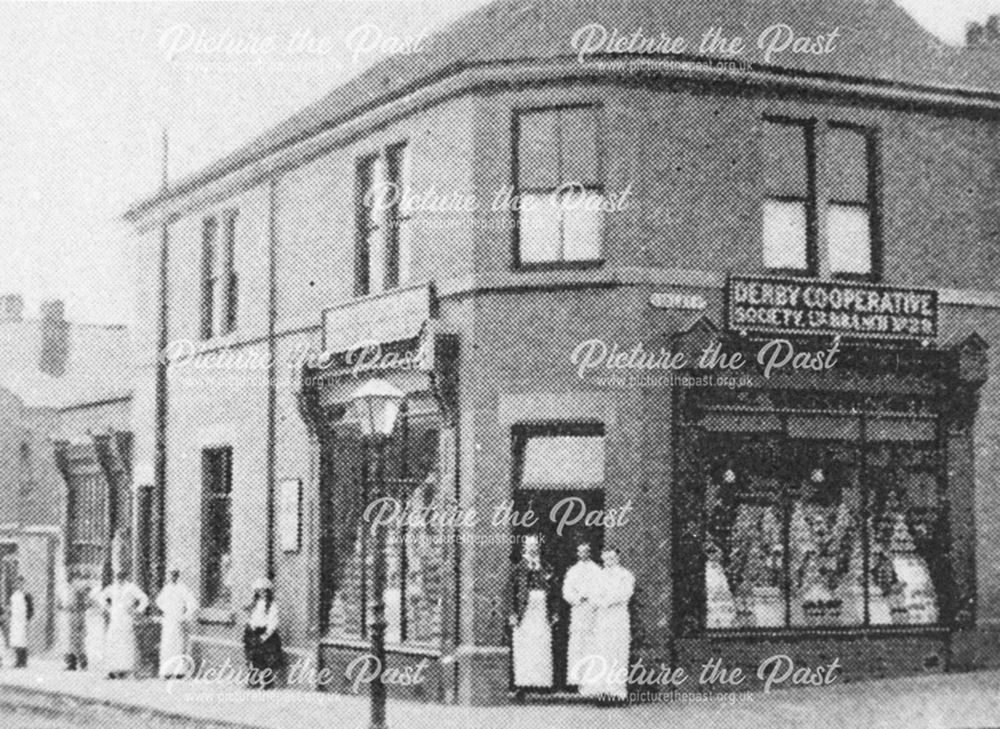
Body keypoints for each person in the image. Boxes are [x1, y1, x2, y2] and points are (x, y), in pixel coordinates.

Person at [579, 548, 634, 702]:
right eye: (606, 558)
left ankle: (616, 692)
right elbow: (593, 595)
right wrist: (601, 601)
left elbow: (625, 593)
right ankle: (601, 691)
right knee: (602, 651)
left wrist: (608, 599)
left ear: (618, 558)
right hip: (602, 618)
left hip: (618, 617)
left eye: (612, 558)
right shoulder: (598, 576)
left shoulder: (625, 575)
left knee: (617, 651)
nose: (609, 561)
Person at [508, 535, 554, 691]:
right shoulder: (518, 569)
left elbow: (553, 591)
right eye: (529, 545)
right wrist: (512, 613)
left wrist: (553, 612)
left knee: (541, 644)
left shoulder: (546, 567)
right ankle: (523, 683)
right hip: (524, 613)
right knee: (525, 646)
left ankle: (541, 683)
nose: (532, 548)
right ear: (524, 548)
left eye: (535, 545)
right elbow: (510, 592)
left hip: (542, 611)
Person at [562, 541, 602, 689]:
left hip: (592, 611)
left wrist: (591, 598)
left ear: (590, 552)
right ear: (577, 553)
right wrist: (578, 598)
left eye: (586, 551)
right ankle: (576, 680)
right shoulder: (572, 571)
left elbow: (601, 589)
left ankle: (591, 680)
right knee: (577, 643)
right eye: (580, 551)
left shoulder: (597, 570)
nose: (583, 554)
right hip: (578, 611)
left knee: (591, 642)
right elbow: (566, 591)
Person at [98, 570, 149, 679]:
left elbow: (144, 598)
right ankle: (113, 670)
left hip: (126, 617)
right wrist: (108, 608)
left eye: (122, 575)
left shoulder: (131, 587)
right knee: (113, 641)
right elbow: (101, 597)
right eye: (117, 576)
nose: (119, 578)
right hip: (115, 617)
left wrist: (137, 610)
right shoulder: (112, 587)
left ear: (125, 576)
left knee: (126, 642)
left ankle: (127, 670)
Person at [156, 565, 198, 679]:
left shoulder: (182, 588)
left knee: (178, 644)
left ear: (178, 576)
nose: (173, 577)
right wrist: (166, 609)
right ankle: (166, 671)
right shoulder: (167, 588)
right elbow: (159, 601)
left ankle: (179, 671)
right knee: (166, 644)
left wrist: (185, 616)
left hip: (177, 620)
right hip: (168, 619)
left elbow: (193, 603)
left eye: (175, 574)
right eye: (171, 574)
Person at [243, 578, 283, 689]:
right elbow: (252, 618)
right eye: (259, 591)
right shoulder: (255, 605)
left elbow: (273, 622)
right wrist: (251, 627)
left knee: (267, 659)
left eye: (264, 591)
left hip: (266, 634)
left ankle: (268, 683)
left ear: (268, 592)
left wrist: (266, 635)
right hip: (254, 632)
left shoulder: (272, 606)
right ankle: (253, 682)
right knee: (253, 658)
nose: (262, 593)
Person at [58, 571, 88, 670]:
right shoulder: (65, 589)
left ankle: (83, 663)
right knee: (70, 641)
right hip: (68, 616)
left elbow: (81, 604)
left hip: (77, 616)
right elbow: (61, 603)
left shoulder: (78, 589)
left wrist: (73, 607)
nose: (70, 579)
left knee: (78, 641)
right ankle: (72, 663)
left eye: (72, 577)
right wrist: (63, 606)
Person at [8, 576, 34, 668]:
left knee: (22, 641)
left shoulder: (26, 595)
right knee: (15, 641)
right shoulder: (14, 595)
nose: (18, 585)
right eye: (17, 583)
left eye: (20, 583)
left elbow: (31, 609)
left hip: (22, 620)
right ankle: (18, 660)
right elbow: (12, 607)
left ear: (23, 583)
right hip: (15, 620)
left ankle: (23, 661)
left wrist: (27, 619)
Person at [84, 580, 106, 671]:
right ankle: (92, 663)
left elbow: (102, 605)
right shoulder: (91, 590)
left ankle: (98, 663)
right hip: (91, 618)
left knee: (98, 640)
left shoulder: (101, 590)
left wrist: (94, 603)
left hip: (98, 618)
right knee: (90, 641)